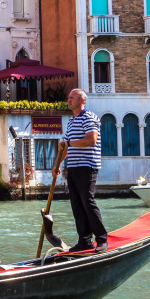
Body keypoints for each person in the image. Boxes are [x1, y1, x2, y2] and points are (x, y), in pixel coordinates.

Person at [52, 88, 108, 253]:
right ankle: (84, 240)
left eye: (72, 97)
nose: (68, 100)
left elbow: (91, 140)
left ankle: (102, 239)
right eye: (68, 97)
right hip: (73, 167)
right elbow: (65, 147)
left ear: (82, 101)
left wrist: (69, 144)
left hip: (87, 166)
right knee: (77, 205)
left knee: (88, 202)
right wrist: (57, 166)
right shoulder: (71, 121)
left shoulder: (89, 117)